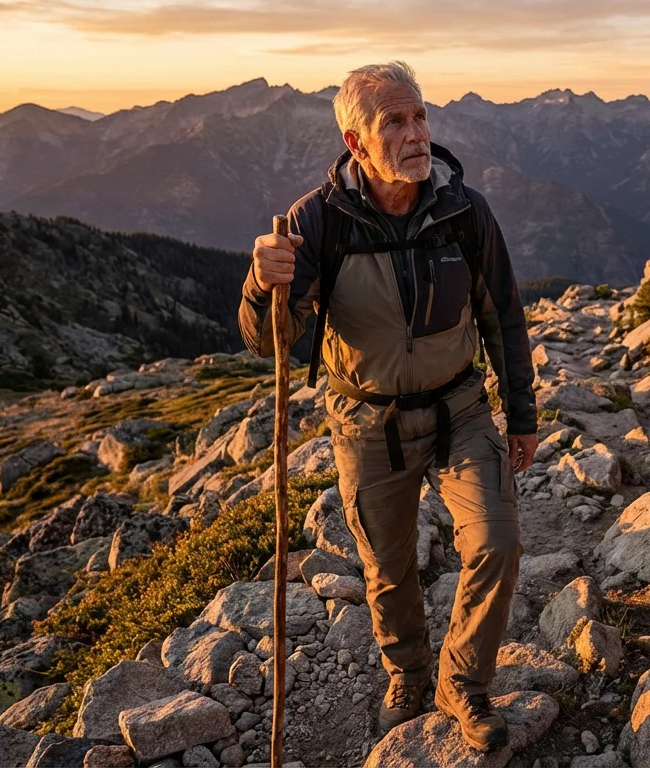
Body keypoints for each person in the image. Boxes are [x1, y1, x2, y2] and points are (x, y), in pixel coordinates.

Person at [238, 61, 538, 752]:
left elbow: (504, 316)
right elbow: (269, 343)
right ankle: (406, 671)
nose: (415, 134)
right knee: (387, 566)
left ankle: (461, 683)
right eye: (393, 123)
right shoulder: (318, 222)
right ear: (356, 141)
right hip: (369, 422)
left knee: (496, 541)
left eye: (420, 117)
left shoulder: (465, 211)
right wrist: (262, 286)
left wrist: (520, 415)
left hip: (462, 406)